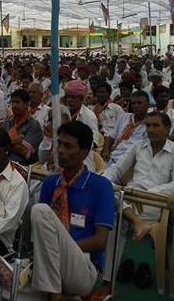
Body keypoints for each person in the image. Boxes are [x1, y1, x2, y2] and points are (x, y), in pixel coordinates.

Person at [102, 111, 174, 286]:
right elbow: (117, 169)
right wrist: (103, 181)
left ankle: (122, 268)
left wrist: (151, 192)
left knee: (115, 212)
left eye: (155, 125)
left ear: (167, 128)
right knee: (108, 197)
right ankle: (108, 278)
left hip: (154, 201)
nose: (150, 129)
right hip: (131, 197)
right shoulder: (138, 146)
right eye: (148, 125)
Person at [30, 121, 114, 299]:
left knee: (39, 211)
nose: (60, 150)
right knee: (6, 282)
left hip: (82, 265)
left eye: (68, 146)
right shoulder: (50, 183)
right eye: (59, 144)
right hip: (50, 262)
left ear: (83, 153)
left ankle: (55, 296)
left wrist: (57, 249)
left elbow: (100, 241)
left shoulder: (101, 186)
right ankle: (63, 296)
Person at [102, 91, 150, 166]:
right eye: (133, 103)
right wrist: (106, 151)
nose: (136, 106)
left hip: (133, 163)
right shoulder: (124, 117)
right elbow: (111, 137)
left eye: (139, 103)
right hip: (113, 158)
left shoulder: (151, 123)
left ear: (147, 105)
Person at [1, 89, 43, 164]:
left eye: (17, 102)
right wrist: (15, 141)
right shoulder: (7, 122)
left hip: (21, 164)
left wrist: (5, 142)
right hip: (3, 161)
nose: (14, 105)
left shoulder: (33, 125)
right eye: (12, 102)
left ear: (27, 104)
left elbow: (25, 152)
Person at [64, 79, 101, 147]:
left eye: (73, 97)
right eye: (68, 97)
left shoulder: (90, 116)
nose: (69, 100)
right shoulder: (62, 112)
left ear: (81, 99)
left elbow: (94, 142)